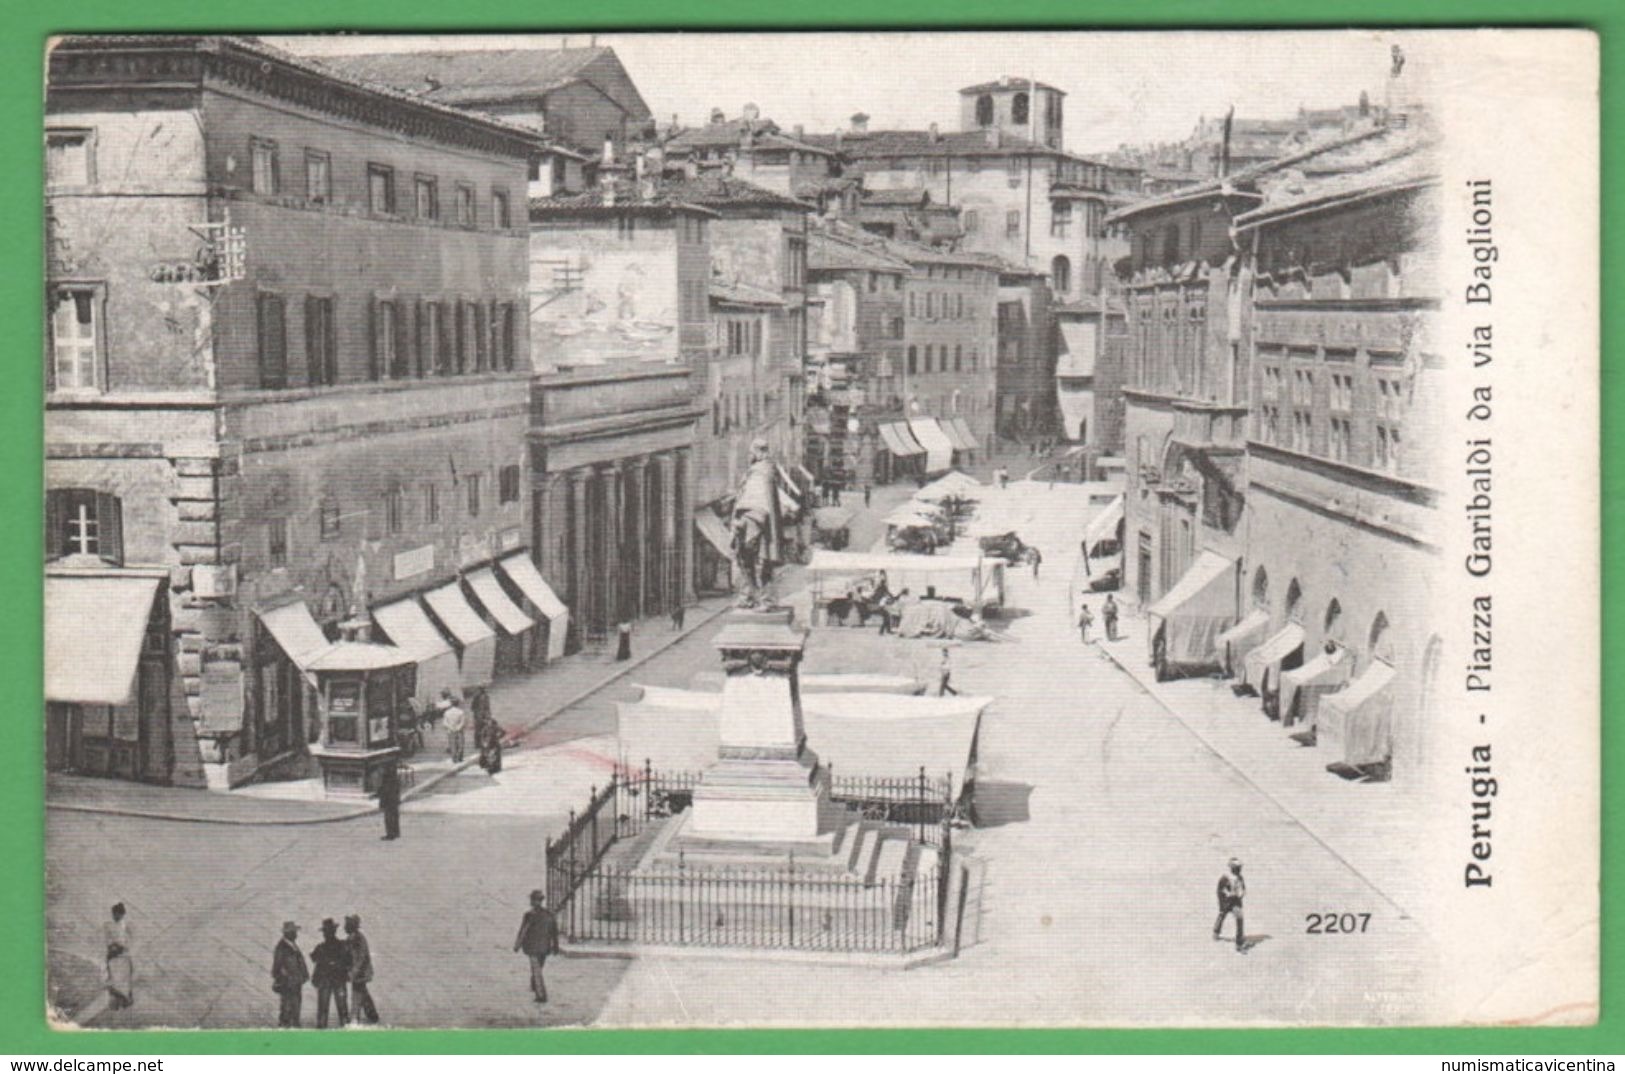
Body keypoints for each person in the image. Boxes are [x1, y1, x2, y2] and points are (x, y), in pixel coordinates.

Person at [513, 890, 561, 1004]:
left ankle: (538, 990)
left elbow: (523, 931)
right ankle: (538, 990)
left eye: (533, 900)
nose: (533, 902)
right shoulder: (549, 915)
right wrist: (555, 946)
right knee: (537, 968)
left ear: (535, 901)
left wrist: (517, 945)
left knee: (537, 969)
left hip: (534, 947)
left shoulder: (530, 915)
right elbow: (554, 933)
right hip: (543, 947)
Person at [310, 918, 352, 1028]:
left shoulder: (322, 947)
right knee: (341, 1010)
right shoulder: (341, 946)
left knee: (328, 1010)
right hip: (335, 981)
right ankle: (346, 1033)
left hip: (329, 981)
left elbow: (314, 959)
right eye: (325, 932)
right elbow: (348, 961)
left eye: (327, 931)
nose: (326, 934)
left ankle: (322, 1033)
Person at [271, 921, 308, 1028]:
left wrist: (303, 976)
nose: (296, 934)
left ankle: (294, 1028)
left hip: (296, 983)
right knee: (287, 1010)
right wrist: (286, 978)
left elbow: (300, 963)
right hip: (287, 984)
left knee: (295, 1009)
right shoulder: (281, 947)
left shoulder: (293, 945)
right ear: (287, 933)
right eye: (294, 932)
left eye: (295, 932)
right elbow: (277, 968)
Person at [344, 914, 378, 1025]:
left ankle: (355, 1018)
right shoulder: (350, 938)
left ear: (352, 926)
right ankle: (372, 1016)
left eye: (347, 924)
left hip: (361, 973)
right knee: (362, 993)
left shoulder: (359, 938)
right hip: (357, 972)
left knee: (357, 993)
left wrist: (354, 971)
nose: (345, 927)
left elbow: (361, 957)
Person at [103, 902, 134, 1011]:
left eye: (118, 914)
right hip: (113, 954)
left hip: (123, 954)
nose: (116, 916)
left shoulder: (125, 925)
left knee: (123, 979)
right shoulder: (108, 925)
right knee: (114, 979)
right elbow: (107, 938)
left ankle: (125, 1000)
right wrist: (112, 947)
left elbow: (128, 940)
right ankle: (115, 1003)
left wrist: (122, 947)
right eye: (114, 914)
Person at [1214, 858, 1247, 953]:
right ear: (1232, 868)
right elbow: (1219, 892)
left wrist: (1241, 894)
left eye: (1240, 868)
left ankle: (1239, 944)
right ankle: (1216, 931)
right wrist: (1221, 904)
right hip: (1226, 902)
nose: (1239, 870)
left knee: (1240, 918)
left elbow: (1243, 888)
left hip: (1235, 902)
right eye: (1237, 868)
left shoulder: (1240, 877)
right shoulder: (1225, 878)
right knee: (1221, 915)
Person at [378, 762, 401, 841]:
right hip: (394, 798)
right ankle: (396, 832)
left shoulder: (386, 780)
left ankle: (390, 834)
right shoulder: (395, 778)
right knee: (394, 815)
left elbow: (384, 791)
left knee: (389, 817)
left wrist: (381, 802)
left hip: (388, 799)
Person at [443, 697, 468, 764]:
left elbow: (445, 722)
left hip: (450, 730)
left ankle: (454, 758)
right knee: (460, 744)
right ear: (458, 704)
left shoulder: (447, 712)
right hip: (459, 730)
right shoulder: (461, 712)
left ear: (451, 704)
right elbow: (463, 722)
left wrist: (450, 727)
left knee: (452, 744)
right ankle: (459, 757)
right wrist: (458, 727)